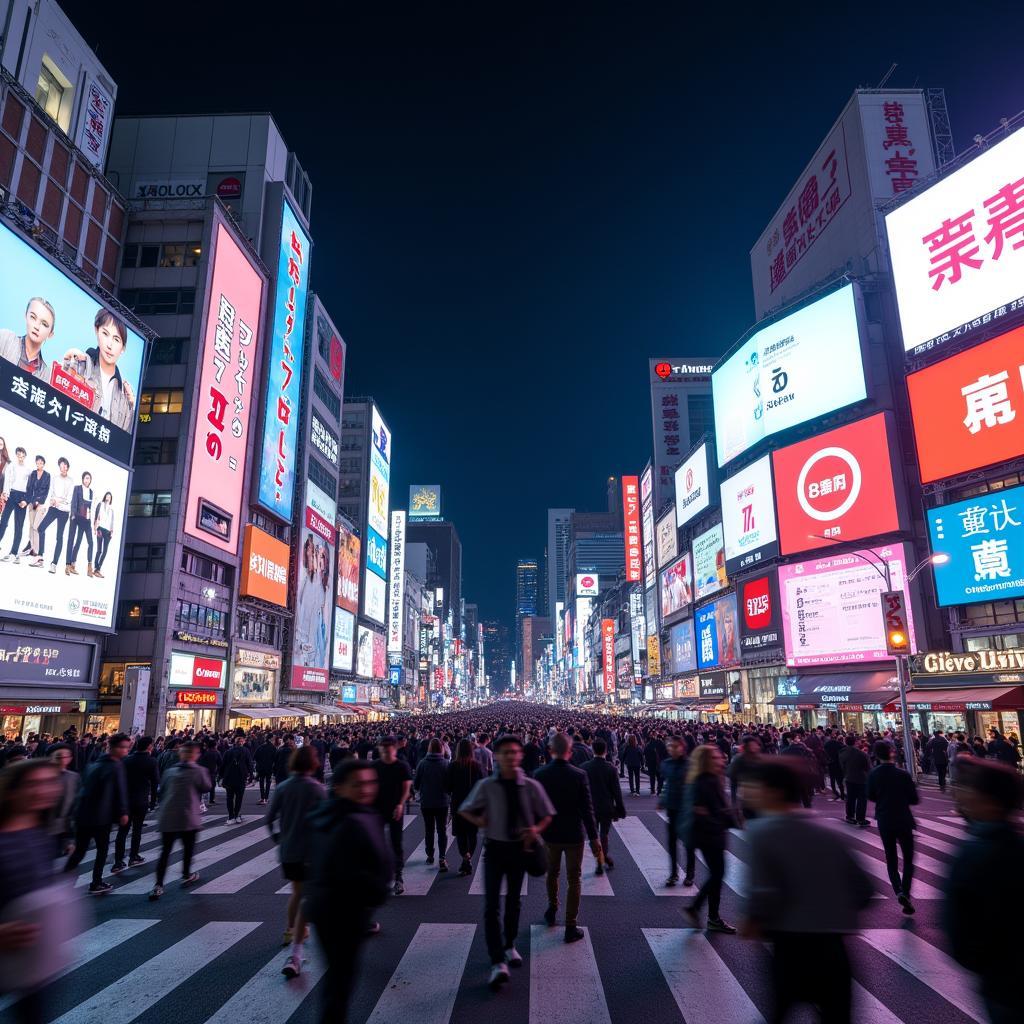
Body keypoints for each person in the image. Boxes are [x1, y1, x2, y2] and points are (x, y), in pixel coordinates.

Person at [740, 759, 874, 1024]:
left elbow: (764, 895)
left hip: (791, 949)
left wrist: (753, 921)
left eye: (753, 786)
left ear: (774, 791)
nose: (746, 791)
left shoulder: (762, 833)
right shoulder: (828, 831)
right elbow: (863, 890)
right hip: (834, 951)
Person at [459, 734, 553, 991]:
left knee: (513, 900)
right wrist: (482, 823)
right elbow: (465, 808)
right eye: (505, 752)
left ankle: (509, 943)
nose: (511, 756)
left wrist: (535, 829)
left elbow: (547, 814)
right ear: (496, 756)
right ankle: (496, 960)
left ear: (520, 755)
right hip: (495, 849)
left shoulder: (531, 786)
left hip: (520, 850)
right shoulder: (487, 785)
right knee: (491, 905)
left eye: (514, 752)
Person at [305, 759, 392, 1024]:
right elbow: (362, 867)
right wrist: (375, 893)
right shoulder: (355, 819)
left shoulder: (325, 813)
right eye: (358, 784)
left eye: (370, 783)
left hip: (323, 907)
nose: (366, 789)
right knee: (341, 978)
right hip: (345, 910)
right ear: (340, 787)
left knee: (337, 977)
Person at [943, 756, 1024, 1024]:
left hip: (1002, 983)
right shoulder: (1013, 844)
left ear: (987, 799)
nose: (960, 795)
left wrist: (984, 962)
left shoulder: (974, 853)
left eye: (967, 789)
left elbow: (960, 933)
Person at [0, 758, 65, 1024]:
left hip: (33, 961)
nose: (45, 790)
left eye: (50, 782)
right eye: (33, 784)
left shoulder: (39, 833)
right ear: (11, 790)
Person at [534, 732, 601, 943]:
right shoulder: (579, 775)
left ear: (550, 751)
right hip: (574, 834)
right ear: (570, 751)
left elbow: (536, 808)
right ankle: (570, 925)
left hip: (550, 834)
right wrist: (594, 838)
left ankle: (552, 908)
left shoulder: (540, 774)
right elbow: (587, 810)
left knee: (552, 874)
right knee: (574, 878)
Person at [267, 744, 326, 979]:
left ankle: (291, 930)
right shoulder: (317, 788)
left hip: (289, 848)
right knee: (310, 893)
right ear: (313, 763)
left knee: (296, 891)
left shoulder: (283, 787)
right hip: (311, 849)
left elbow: (269, 819)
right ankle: (298, 942)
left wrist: (279, 839)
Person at [61, 731, 130, 894]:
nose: (126, 751)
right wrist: (123, 812)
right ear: (113, 747)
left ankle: (61, 883)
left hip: (83, 815)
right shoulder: (115, 765)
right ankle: (96, 882)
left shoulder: (96, 763)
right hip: (100, 816)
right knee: (102, 850)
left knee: (80, 850)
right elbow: (119, 791)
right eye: (124, 747)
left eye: (127, 747)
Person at [679, 744, 736, 933]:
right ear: (706, 761)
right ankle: (702, 912)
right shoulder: (706, 782)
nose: (721, 759)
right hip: (710, 836)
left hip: (709, 835)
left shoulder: (707, 779)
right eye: (715, 757)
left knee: (717, 874)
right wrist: (724, 819)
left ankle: (708, 914)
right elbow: (702, 812)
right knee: (717, 874)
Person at [148, 740, 210, 900]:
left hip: (167, 817)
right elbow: (206, 786)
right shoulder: (198, 770)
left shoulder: (170, 771)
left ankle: (158, 885)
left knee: (165, 852)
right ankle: (185, 874)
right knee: (188, 849)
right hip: (188, 817)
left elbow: (162, 790)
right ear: (195, 754)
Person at [867, 739, 919, 915]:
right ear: (892, 753)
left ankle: (898, 891)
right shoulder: (903, 774)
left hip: (884, 818)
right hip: (903, 818)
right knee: (908, 859)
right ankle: (905, 891)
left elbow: (871, 796)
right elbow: (914, 799)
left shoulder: (873, 774)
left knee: (891, 857)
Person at [112, 735, 159, 872]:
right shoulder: (151, 761)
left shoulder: (126, 760)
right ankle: (134, 856)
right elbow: (156, 780)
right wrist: (153, 800)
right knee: (137, 829)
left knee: (123, 831)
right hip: (141, 799)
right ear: (149, 746)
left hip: (126, 799)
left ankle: (118, 860)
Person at [373, 736, 412, 893]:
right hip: (377, 809)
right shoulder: (375, 766)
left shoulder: (401, 766)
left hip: (395, 809)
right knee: (378, 843)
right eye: (383, 748)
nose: (385, 751)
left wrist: (400, 804)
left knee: (396, 842)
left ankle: (398, 877)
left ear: (394, 749)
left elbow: (406, 786)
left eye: (388, 748)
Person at [582, 738, 625, 875]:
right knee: (604, 834)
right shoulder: (611, 768)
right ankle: (604, 857)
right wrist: (620, 810)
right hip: (606, 806)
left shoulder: (584, 767)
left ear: (592, 750)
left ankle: (599, 860)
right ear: (606, 751)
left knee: (593, 835)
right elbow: (616, 791)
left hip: (590, 806)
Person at [658, 735, 693, 887]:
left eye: (674, 746)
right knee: (672, 843)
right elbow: (666, 784)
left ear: (682, 747)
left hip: (686, 809)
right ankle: (673, 873)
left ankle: (690, 874)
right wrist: (662, 800)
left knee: (689, 844)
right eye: (669, 746)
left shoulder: (690, 765)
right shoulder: (666, 764)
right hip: (672, 808)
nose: (671, 749)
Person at [446, 738, 484, 876]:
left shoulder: (452, 766)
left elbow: (447, 787)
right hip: (474, 804)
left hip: (458, 803)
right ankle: (467, 858)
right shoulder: (477, 766)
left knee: (461, 833)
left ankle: (465, 856)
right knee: (472, 833)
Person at [414, 738, 451, 870]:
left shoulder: (422, 763)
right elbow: (450, 785)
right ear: (442, 748)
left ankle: (430, 855)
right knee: (442, 831)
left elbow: (416, 784)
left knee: (429, 830)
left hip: (426, 802)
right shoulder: (446, 764)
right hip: (442, 802)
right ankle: (442, 857)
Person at [30, 457, 71, 573]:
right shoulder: (55, 478)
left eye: (65, 466)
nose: (63, 468)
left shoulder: (71, 481)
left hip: (64, 512)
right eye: (61, 466)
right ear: (59, 467)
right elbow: (52, 493)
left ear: (67, 467)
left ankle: (54, 564)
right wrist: (53, 500)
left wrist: (58, 500)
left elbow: (68, 498)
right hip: (53, 508)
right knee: (40, 528)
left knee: (59, 537)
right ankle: (40, 558)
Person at [0, 297, 55, 382]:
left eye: (44, 324)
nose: (36, 327)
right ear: (25, 316)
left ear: (50, 334)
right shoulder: (5, 338)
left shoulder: (47, 375)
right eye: (33, 317)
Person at [46, 743, 79, 857]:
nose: (63, 760)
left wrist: (70, 838)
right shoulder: (42, 776)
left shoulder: (73, 777)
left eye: (67, 756)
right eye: (59, 757)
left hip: (64, 828)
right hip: (43, 830)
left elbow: (74, 806)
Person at [0, 447, 30, 563]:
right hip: (12, 494)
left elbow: (30, 487)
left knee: (19, 526)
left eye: (22, 454)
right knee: (3, 521)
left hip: (22, 497)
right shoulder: (12, 466)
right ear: (16, 455)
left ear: (25, 455)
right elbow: (7, 480)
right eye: (18, 454)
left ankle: (14, 552)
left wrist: (26, 500)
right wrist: (6, 492)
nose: (20, 456)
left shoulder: (28, 469)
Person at [220, 731, 254, 823]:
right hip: (241, 777)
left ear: (234, 743)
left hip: (229, 777)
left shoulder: (228, 752)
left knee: (229, 797)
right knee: (239, 797)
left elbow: (223, 765)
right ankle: (237, 815)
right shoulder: (246, 751)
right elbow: (249, 764)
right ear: (242, 742)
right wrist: (251, 775)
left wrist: (220, 777)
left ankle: (231, 816)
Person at [65, 471, 94, 577]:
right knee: (71, 540)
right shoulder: (77, 488)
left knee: (80, 541)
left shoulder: (91, 491)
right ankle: (67, 565)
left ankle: (73, 565)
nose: (87, 480)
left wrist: (89, 519)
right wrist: (72, 514)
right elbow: (73, 502)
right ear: (83, 479)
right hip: (75, 516)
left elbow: (90, 507)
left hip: (85, 519)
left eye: (89, 478)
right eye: (86, 478)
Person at [21, 456, 49, 560]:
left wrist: (38, 500)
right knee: (31, 525)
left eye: (41, 462)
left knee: (37, 526)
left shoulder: (47, 475)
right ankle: (31, 548)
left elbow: (46, 491)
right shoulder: (33, 474)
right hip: (31, 503)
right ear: (36, 463)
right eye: (37, 462)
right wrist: (29, 501)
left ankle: (36, 551)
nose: (39, 464)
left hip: (40, 504)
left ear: (43, 463)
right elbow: (29, 488)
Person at [839, 735, 870, 826]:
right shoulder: (861, 754)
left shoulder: (842, 753)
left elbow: (842, 766)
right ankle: (860, 818)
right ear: (855, 742)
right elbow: (866, 767)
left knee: (850, 798)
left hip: (848, 777)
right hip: (860, 778)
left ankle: (850, 816)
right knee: (861, 799)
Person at [92, 491, 114, 578]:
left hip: (108, 532)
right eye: (107, 496)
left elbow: (112, 521)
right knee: (99, 550)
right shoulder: (100, 504)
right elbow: (96, 516)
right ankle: (95, 568)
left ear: (111, 498)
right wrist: (95, 528)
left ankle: (98, 569)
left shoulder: (112, 509)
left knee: (105, 551)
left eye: (110, 496)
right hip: (100, 528)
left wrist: (111, 532)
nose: (108, 497)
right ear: (105, 497)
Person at [254, 734, 277, 804]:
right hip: (269, 767)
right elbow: (275, 758)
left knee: (261, 782)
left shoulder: (261, 747)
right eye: (273, 739)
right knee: (268, 782)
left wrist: (260, 762)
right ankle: (266, 798)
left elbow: (255, 756)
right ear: (270, 739)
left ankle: (262, 797)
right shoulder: (273, 748)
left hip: (261, 767)